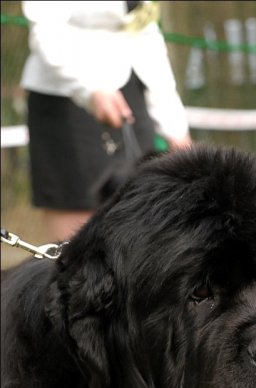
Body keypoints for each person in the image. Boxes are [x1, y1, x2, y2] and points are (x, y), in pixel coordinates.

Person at [20, 1, 191, 241]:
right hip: (63, 96)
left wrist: (175, 125)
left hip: (131, 90)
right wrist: (89, 90)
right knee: (74, 242)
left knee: (146, 221)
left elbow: (146, 32)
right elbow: (46, 29)